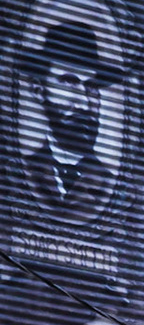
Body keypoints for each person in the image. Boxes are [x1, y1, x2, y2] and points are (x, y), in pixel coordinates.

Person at [18, 21, 121, 216]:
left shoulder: (110, 185)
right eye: (69, 82)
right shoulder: (24, 172)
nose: (83, 103)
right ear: (39, 91)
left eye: (91, 87)